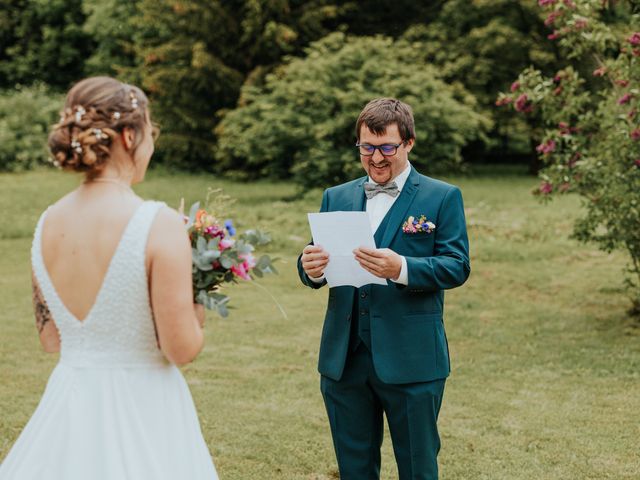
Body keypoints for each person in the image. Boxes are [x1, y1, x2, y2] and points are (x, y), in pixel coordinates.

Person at [0, 77, 218, 479]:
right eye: (151, 132)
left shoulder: (47, 222)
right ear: (130, 135)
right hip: (145, 407)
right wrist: (202, 292)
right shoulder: (159, 223)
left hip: (69, 404)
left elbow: (51, 340)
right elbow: (182, 348)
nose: (152, 144)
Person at [298, 98, 470, 479]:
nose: (376, 158)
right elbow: (317, 257)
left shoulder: (441, 197)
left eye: (387, 148)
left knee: (417, 467)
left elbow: (457, 265)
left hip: (412, 359)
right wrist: (310, 268)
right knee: (354, 469)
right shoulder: (336, 196)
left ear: (408, 143)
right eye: (367, 147)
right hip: (345, 360)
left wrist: (403, 267)